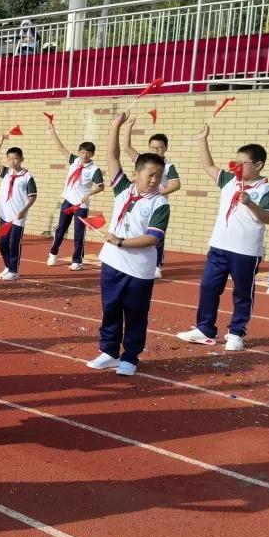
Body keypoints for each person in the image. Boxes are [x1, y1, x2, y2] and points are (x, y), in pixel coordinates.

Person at [86, 113, 170, 377]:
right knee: (110, 309)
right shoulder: (123, 189)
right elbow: (112, 157)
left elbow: (153, 238)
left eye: (159, 176)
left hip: (139, 269)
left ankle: (130, 357)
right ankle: (109, 352)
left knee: (135, 314)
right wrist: (115, 126)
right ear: (136, 174)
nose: (155, 180)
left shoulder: (160, 203)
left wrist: (120, 241)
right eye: (150, 175)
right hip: (112, 263)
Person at [176, 127, 269, 351]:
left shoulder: (267, 190)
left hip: (246, 251)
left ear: (258, 165)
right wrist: (203, 140)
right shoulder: (229, 180)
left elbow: (268, 218)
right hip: (219, 246)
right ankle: (205, 328)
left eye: (243, 163)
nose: (237, 166)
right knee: (209, 287)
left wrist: (250, 203)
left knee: (242, 292)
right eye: (236, 161)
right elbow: (208, 166)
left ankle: (237, 332)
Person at [46, 123, 104, 270]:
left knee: (79, 234)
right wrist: (53, 131)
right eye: (83, 152)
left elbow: (101, 186)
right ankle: (53, 253)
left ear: (92, 154)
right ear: (79, 152)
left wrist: (89, 194)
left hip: (81, 205)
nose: (85, 155)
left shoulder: (94, 169)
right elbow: (61, 148)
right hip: (68, 201)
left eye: (88, 153)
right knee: (61, 229)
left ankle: (77, 261)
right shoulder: (74, 160)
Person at [125, 122, 179, 278]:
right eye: (153, 147)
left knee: (156, 236)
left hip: (156, 205)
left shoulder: (168, 166)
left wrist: (159, 194)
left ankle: (157, 266)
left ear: (166, 148)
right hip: (140, 203)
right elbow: (128, 148)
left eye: (160, 147)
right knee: (137, 231)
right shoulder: (144, 161)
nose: (156, 150)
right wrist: (128, 128)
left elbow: (176, 184)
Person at [0, 134, 37, 280]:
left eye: (15, 158)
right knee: (3, 243)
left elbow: (33, 196)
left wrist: (24, 210)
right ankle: (7, 265)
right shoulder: (6, 172)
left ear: (21, 159)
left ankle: (14, 270)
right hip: (4, 215)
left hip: (18, 216)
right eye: (9, 159)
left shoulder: (27, 176)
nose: (12, 161)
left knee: (14, 243)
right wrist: (0, 142)